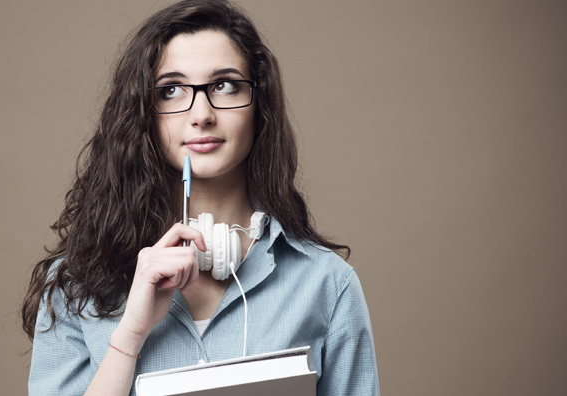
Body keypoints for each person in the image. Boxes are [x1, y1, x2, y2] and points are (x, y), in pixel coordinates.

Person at [22, 0, 379, 394]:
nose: (201, 114)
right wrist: (130, 335)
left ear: (259, 106)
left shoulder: (326, 283)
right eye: (171, 90)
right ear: (143, 112)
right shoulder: (76, 285)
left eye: (224, 85)